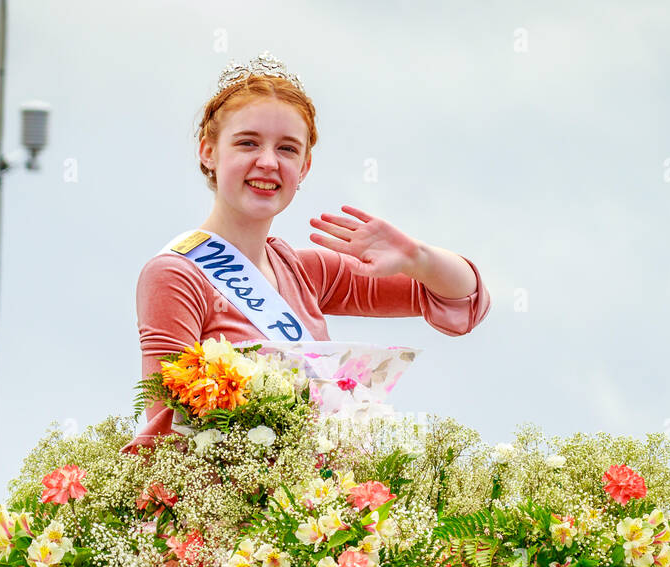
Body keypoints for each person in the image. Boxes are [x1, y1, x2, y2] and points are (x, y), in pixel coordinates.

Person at [121, 52, 492, 454]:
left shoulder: (306, 271)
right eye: (248, 143)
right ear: (208, 151)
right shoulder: (176, 276)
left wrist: (418, 259)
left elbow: (461, 301)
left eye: (287, 149)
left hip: (314, 506)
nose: (267, 162)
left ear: (305, 166)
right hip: (230, 510)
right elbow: (166, 428)